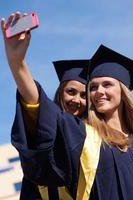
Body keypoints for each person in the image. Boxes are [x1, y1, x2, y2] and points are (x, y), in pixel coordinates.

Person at [1, 12, 133, 200]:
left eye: (107, 85)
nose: (98, 91)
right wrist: (18, 64)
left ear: (123, 93)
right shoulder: (85, 138)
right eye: (93, 87)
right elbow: (45, 113)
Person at [20, 60, 89, 199]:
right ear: (60, 92)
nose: (76, 100)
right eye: (71, 92)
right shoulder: (45, 127)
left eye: (84, 96)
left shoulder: (92, 135)